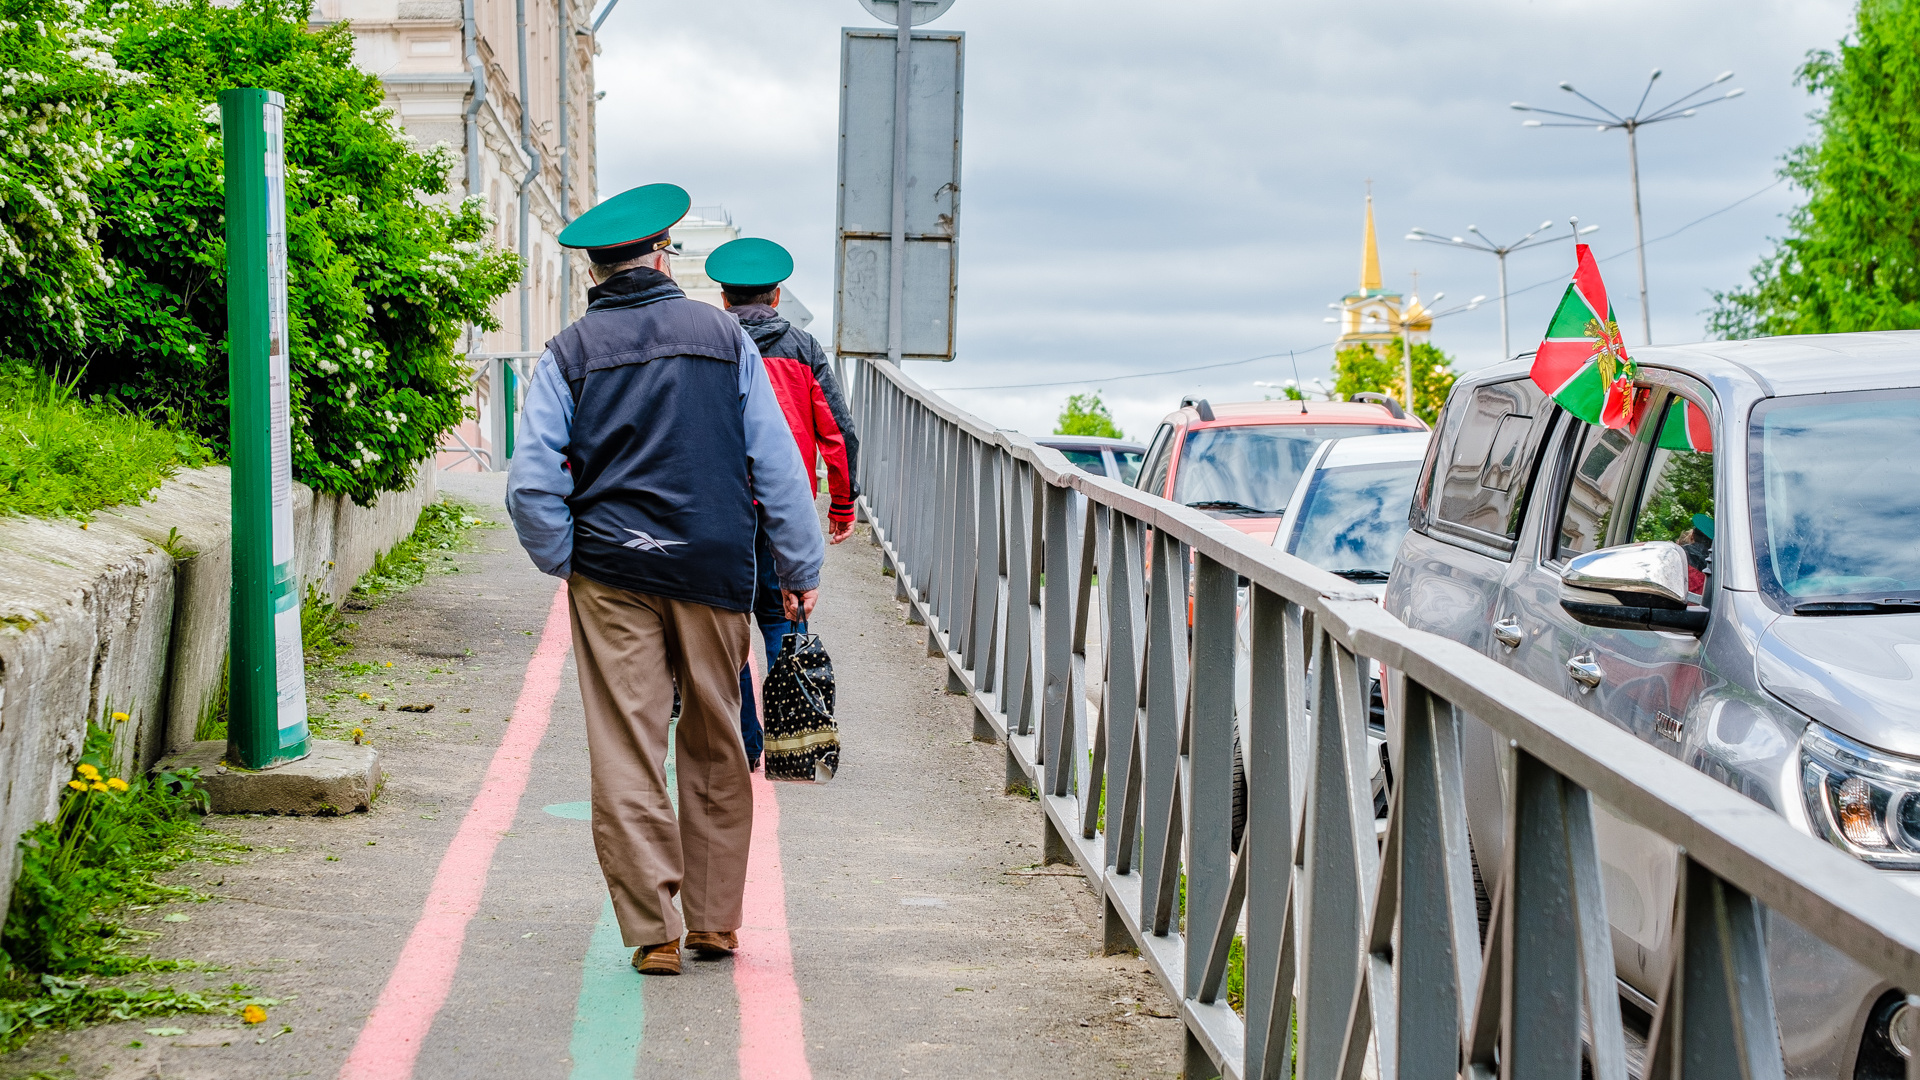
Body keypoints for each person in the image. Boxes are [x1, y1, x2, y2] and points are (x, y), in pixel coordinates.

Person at [505, 183, 825, 977]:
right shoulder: (722, 337)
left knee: (626, 745)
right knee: (717, 735)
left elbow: (530, 484)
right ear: (662, 255)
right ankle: (716, 922)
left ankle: (655, 929)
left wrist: (567, 556)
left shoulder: (569, 352)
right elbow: (775, 463)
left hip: (611, 570)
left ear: (595, 267)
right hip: (714, 567)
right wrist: (798, 565)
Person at [704, 237, 861, 768]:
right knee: (781, 616)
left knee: (725, 623)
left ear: (725, 299)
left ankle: (745, 742)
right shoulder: (802, 348)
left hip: (720, 507)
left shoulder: (709, 345)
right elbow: (838, 432)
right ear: (775, 298)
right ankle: (789, 740)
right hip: (784, 509)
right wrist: (842, 506)